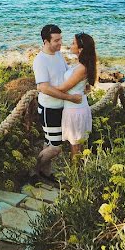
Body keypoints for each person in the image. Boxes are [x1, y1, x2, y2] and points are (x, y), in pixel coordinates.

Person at [33, 24, 83, 181]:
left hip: (61, 108)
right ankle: (32, 172)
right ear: (46, 42)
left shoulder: (58, 55)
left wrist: (83, 82)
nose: (60, 43)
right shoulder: (40, 60)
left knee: (49, 142)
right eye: (56, 40)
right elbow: (43, 87)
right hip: (49, 109)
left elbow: (68, 74)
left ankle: (45, 173)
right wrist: (70, 98)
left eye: (61, 39)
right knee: (55, 148)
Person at [53, 33, 98, 159]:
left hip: (75, 110)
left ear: (81, 49)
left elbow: (63, 88)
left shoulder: (81, 68)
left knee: (76, 148)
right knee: (78, 147)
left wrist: (44, 88)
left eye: (73, 43)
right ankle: (79, 174)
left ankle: (76, 176)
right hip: (74, 107)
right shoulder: (80, 65)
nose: (70, 45)